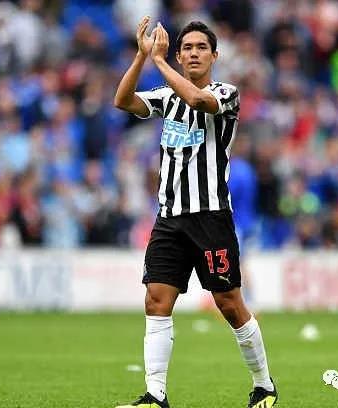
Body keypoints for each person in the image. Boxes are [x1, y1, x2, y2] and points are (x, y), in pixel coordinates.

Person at [113, 17, 278, 408]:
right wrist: (141, 56)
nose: (193, 53)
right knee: (156, 300)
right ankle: (155, 395)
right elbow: (122, 100)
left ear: (215, 55)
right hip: (169, 217)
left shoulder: (226, 93)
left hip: (210, 218)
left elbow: (198, 102)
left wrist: (159, 62)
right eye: (186, 47)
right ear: (179, 54)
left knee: (229, 304)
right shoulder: (165, 97)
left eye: (201, 47)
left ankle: (264, 385)